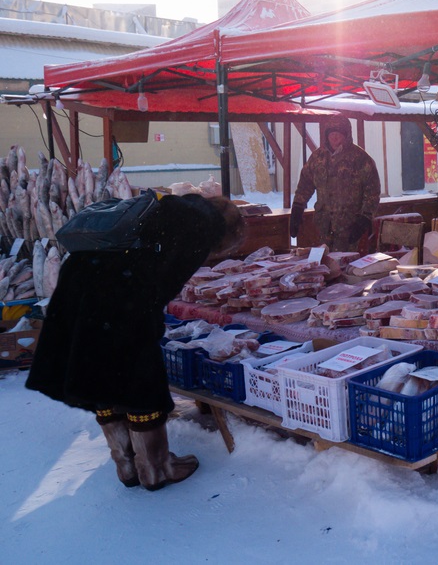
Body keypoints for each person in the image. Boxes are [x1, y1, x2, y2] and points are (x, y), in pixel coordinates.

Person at [26, 194, 245, 491]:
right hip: (118, 290)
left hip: (81, 282)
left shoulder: (170, 208)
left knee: (102, 372)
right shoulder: (199, 228)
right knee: (140, 379)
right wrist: (147, 328)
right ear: (227, 231)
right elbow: (160, 287)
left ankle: (126, 464)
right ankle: (156, 469)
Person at [288, 114, 381, 251]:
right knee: (326, 266)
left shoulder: (361, 159)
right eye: (331, 133)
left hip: (351, 228)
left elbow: (372, 192)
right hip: (323, 228)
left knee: (348, 266)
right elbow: (305, 185)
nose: (334, 137)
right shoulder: (317, 157)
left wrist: (364, 219)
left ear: (346, 135)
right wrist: (297, 208)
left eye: (338, 133)